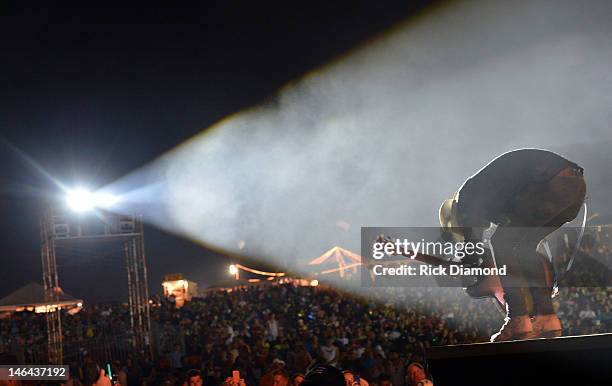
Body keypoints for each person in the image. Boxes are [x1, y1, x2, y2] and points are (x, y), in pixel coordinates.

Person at [439, 148, 586, 341]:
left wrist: (464, 263)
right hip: (574, 187)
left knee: (501, 243)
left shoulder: (467, 197)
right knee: (524, 246)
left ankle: (517, 318)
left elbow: (473, 248)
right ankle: (547, 318)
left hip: (552, 184)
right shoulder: (488, 195)